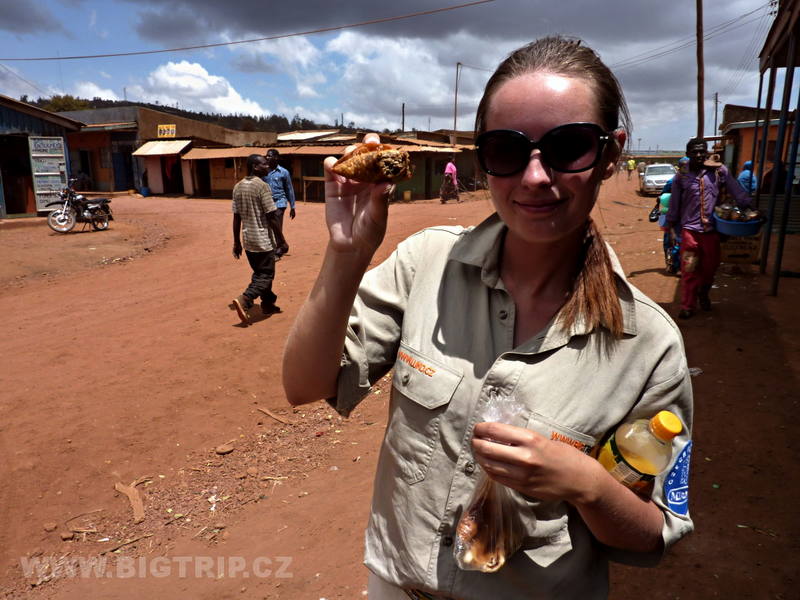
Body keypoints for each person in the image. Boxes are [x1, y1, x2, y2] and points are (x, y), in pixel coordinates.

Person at [283, 36, 693, 599]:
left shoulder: (648, 344)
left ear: (610, 154)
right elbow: (304, 385)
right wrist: (346, 254)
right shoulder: (426, 263)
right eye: (506, 150)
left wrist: (588, 485)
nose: (535, 177)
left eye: (569, 146)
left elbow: (651, 537)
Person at [665, 139, 751, 319]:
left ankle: (703, 292)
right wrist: (671, 228)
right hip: (689, 232)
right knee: (689, 268)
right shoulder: (681, 176)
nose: (698, 155)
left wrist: (750, 208)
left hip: (712, 232)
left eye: (701, 151)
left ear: (706, 152)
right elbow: (674, 204)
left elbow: (736, 191)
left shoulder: (719, 171)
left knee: (709, 269)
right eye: (694, 152)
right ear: (687, 154)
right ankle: (688, 305)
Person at [229, 154, 281, 325]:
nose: (268, 166)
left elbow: (236, 217)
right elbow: (272, 216)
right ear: (255, 167)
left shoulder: (238, 187)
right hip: (263, 240)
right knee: (266, 275)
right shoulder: (262, 186)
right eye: (264, 164)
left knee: (260, 273)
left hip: (248, 240)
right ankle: (245, 299)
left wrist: (237, 242)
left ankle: (268, 303)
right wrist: (282, 240)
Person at [262, 148, 296, 258]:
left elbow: (289, 189)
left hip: (279, 203)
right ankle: (280, 246)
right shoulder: (264, 172)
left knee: (277, 225)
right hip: (266, 203)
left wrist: (292, 207)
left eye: (269, 156)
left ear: (276, 157)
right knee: (267, 226)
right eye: (266, 156)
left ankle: (278, 250)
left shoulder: (284, 172)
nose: (267, 157)